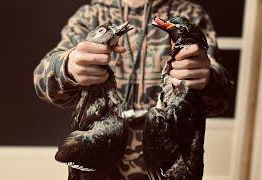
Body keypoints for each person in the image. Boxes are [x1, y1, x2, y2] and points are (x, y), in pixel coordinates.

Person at [33, 0, 231, 179]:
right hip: (100, 168)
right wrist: (68, 66)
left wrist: (207, 78)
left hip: (168, 167)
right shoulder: (90, 15)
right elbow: (42, 84)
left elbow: (222, 98)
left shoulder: (190, 14)